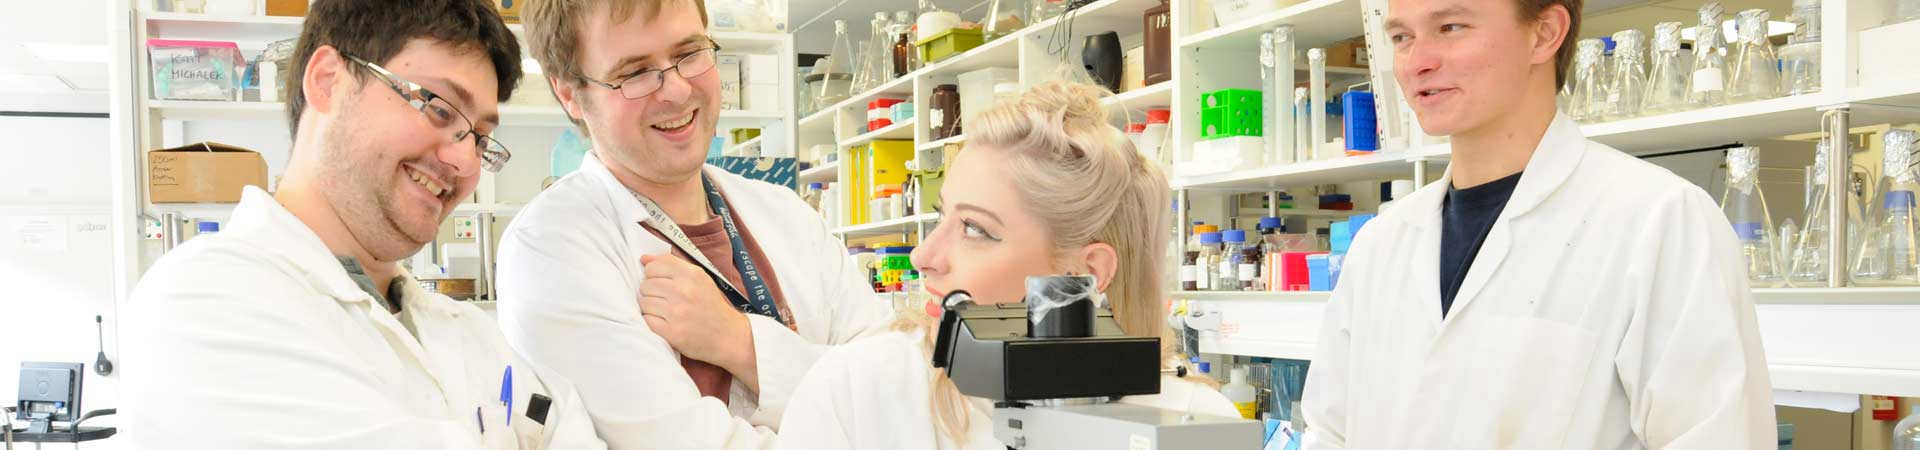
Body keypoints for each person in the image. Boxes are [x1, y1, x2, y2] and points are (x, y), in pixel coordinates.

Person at [119, 0, 606, 448]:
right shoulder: (203, 301)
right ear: (328, 80)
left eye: (480, 138)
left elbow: (570, 425)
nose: (464, 161)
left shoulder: (460, 328)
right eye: (438, 108)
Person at [1300, 0, 1775, 448]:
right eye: (1402, 37)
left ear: (1544, 34)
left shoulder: (1660, 221)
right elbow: (1328, 431)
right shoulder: (1381, 243)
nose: (1416, 62)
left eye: (1451, 27)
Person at [498, 0, 893, 447]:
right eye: (635, 73)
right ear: (570, 94)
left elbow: (898, 395)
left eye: (689, 53)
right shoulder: (553, 248)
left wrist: (741, 343)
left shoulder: (788, 215)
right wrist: (847, 407)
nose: (678, 91)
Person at [774, 81, 1239, 450]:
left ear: (1085, 274)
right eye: (942, 217)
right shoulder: (859, 390)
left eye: (975, 229)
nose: (924, 257)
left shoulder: (1197, 419)